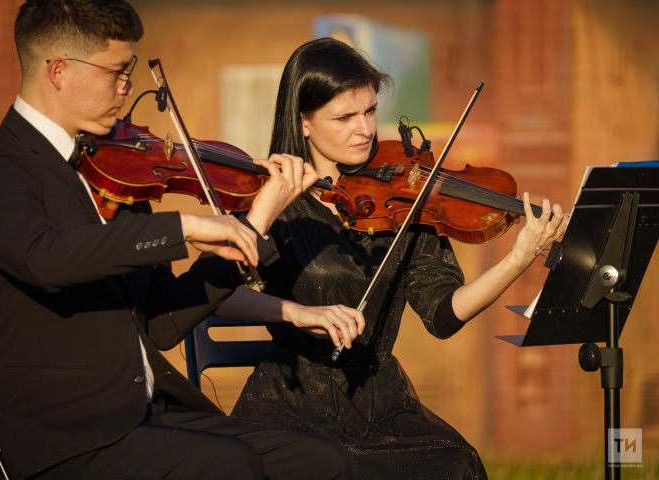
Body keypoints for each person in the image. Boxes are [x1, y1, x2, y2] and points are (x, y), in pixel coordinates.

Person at [0, 4, 365, 479]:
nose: (127, 90)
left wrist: (258, 219)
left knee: (325, 463)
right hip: (58, 438)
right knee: (231, 465)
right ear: (59, 70)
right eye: (117, 73)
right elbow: (44, 257)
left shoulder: (111, 174)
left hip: (144, 419)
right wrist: (183, 227)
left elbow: (164, 321)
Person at [231, 37, 569, 480]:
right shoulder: (273, 202)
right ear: (304, 122)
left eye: (370, 111)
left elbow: (443, 315)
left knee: (459, 463)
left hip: (378, 402)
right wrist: (300, 314)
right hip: (290, 403)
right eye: (345, 117)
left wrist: (517, 259)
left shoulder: (406, 197)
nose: (366, 129)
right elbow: (226, 293)